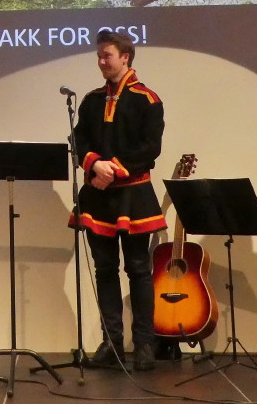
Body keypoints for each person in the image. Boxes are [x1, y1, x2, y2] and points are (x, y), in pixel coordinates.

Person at [70, 30, 166, 371]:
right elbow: (78, 138)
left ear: (125, 57)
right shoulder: (92, 100)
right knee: (105, 269)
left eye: (106, 55)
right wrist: (95, 163)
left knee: (139, 270)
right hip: (99, 195)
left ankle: (144, 346)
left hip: (134, 195)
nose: (101, 62)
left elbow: (149, 148)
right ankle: (112, 343)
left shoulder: (147, 99)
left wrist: (115, 169)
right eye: (99, 56)